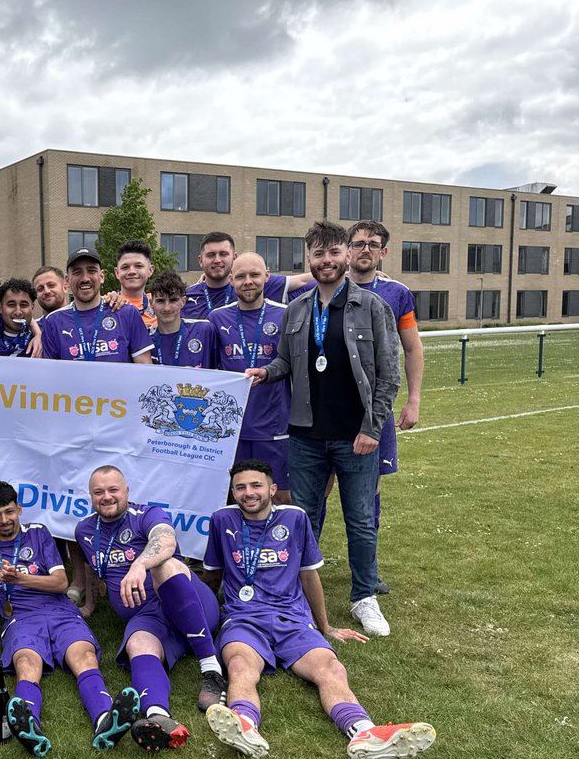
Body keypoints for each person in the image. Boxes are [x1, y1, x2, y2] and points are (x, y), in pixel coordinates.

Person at [200, 460, 436, 759]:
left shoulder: (295, 518)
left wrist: (325, 626)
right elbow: (212, 576)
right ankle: (244, 726)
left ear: (272, 489)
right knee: (240, 667)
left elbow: (309, 574)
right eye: (241, 487)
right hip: (243, 618)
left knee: (331, 668)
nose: (249, 493)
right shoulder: (222, 519)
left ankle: (364, 733)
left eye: (256, 485)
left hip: (293, 618)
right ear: (232, 492)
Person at [246, 221, 400, 636]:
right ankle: (294, 593)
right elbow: (286, 362)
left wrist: (371, 427)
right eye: (318, 254)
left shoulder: (372, 307)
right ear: (308, 259)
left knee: (361, 518)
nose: (326, 261)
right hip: (306, 436)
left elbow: (389, 376)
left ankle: (363, 596)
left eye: (334, 253)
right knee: (304, 518)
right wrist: (266, 372)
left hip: (356, 437)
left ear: (347, 256)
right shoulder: (297, 309)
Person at [0, 482, 140, 756]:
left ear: (19, 509)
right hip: (21, 616)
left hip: (59, 609)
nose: (4, 520)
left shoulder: (38, 534)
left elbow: (61, 583)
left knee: (84, 657)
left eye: (9, 512)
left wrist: (19, 578)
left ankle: (106, 720)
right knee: (27, 662)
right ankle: (29, 726)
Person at [313, 220, 424, 596]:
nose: (364, 250)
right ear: (346, 250)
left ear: (383, 252)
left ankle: (368, 571)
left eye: (372, 244)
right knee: (318, 489)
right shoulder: (320, 286)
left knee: (367, 492)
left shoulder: (396, 293)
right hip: (324, 414)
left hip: (371, 413)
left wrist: (413, 399)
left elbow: (411, 348)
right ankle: (308, 562)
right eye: (357, 243)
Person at [72, 466, 226, 730]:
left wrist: (140, 564)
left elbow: (166, 541)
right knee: (137, 644)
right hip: (148, 618)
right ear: (91, 496)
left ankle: (211, 669)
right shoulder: (85, 530)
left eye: (113, 490)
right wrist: (89, 605)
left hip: (191, 605)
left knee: (165, 565)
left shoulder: (146, 514)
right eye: (98, 492)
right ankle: (157, 715)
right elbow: (91, 568)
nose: (107, 497)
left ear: (127, 491)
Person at [209, 253, 292, 503]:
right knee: (234, 498)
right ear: (231, 279)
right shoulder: (217, 318)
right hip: (232, 431)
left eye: (255, 275)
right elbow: (211, 371)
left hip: (275, 428)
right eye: (241, 276)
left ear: (267, 276)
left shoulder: (286, 314)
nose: (248, 281)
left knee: (281, 498)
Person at [40, 247, 153, 363]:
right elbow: (50, 375)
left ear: (102, 276)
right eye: (77, 272)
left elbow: (145, 368)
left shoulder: (127, 313)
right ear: (67, 281)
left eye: (91, 270)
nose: (85, 278)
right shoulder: (53, 322)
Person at [183, 232, 300, 320]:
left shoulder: (250, 286)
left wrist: (317, 264)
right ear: (200, 260)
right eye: (211, 255)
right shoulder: (185, 297)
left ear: (234, 258)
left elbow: (304, 281)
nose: (217, 260)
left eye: (223, 254)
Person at [146, 269, 215, 368]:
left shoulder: (204, 329)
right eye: (160, 301)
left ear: (183, 301)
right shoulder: (146, 339)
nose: (167, 308)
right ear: (151, 303)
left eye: (173, 300)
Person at [113, 240, 157, 328]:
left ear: (150, 270)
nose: (132, 271)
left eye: (139, 266)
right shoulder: (108, 304)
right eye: (125, 267)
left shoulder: (161, 304)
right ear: (117, 273)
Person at [0, 278, 38, 357]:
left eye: (24, 305)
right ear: (0, 307)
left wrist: (39, 335)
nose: (18, 312)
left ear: (32, 307)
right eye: (11, 305)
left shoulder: (44, 337)